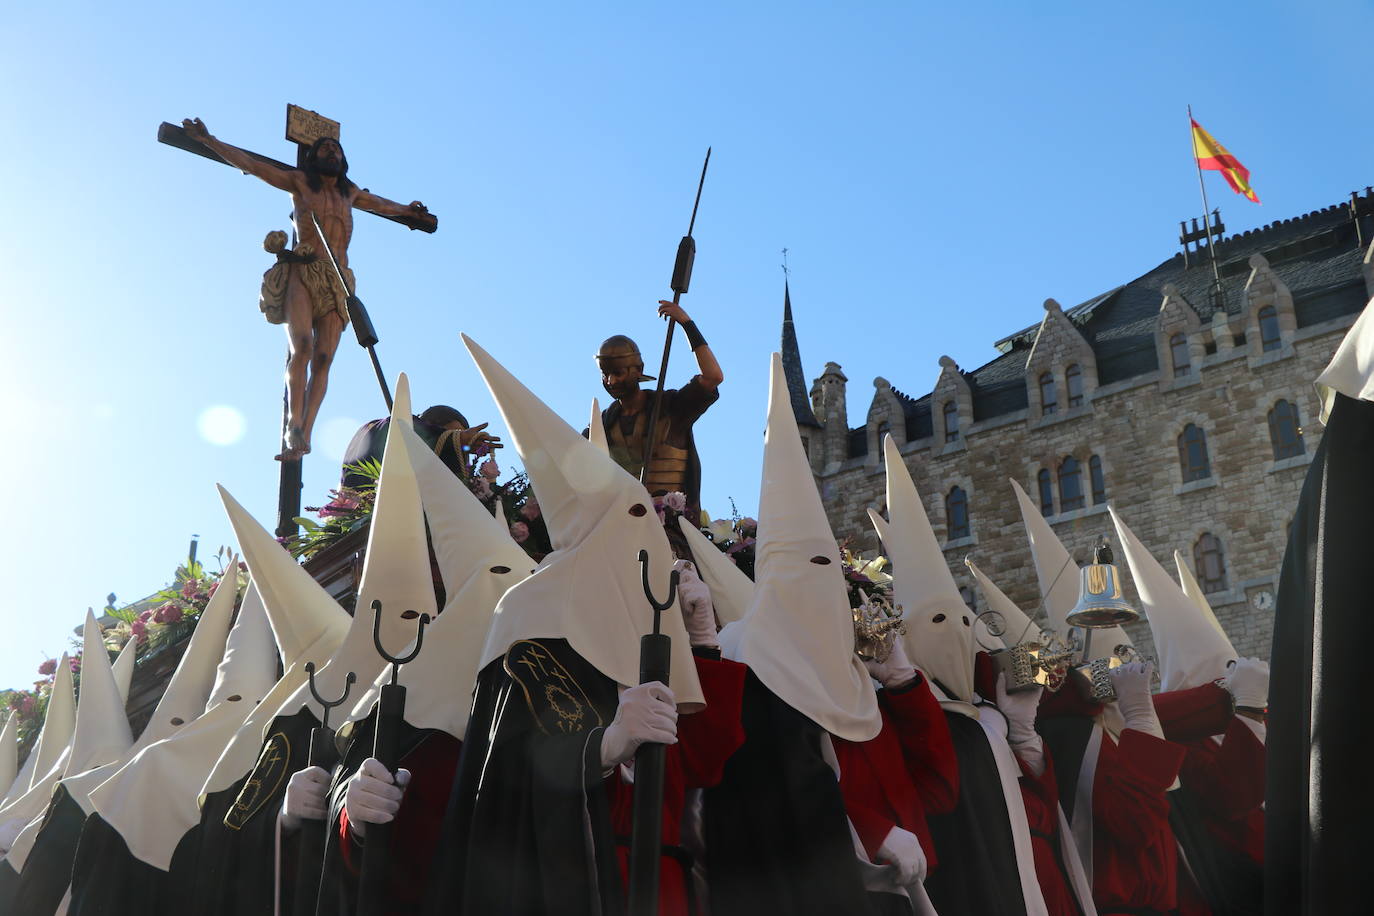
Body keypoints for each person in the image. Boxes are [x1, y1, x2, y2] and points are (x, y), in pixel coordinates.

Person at [424, 335, 707, 915]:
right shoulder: (530, 611)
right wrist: (604, 746)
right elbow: (509, 765)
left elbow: (701, 765)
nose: (646, 533)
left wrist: (701, 641)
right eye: (632, 516)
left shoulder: (639, 614)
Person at [181, 118, 430, 459]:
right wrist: (209, 140)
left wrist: (411, 213)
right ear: (313, 157)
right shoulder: (299, 182)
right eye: (325, 148)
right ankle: (292, 425)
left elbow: (387, 206)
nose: (331, 151)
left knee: (324, 358)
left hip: (338, 278)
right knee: (302, 348)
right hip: (305, 269)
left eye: (336, 149)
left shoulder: (350, 192)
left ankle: (305, 433)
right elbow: (252, 165)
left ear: (343, 160)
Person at [597, 300, 723, 514]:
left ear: (639, 370)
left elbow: (713, 376)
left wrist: (686, 323)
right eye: (605, 374)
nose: (611, 381)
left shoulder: (671, 408)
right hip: (620, 526)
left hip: (671, 530)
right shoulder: (602, 426)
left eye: (617, 373)